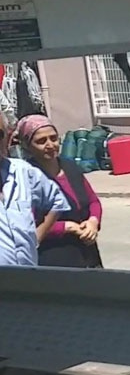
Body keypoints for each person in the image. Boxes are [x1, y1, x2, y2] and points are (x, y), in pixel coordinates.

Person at [15, 114, 103, 269]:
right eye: (41, 141)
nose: (50, 145)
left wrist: (93, 222)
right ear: (27, 146)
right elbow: (27, 225)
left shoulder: (71, 168)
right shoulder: (25, 178)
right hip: (54, 259)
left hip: (87, 255)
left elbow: (93, 201)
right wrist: (66, 227)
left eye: (53, 138)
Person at [0, 111, 67, 268]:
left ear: (8, 138)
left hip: (28, 277)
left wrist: (37, 236)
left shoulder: (22, 171)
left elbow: (57, 201)